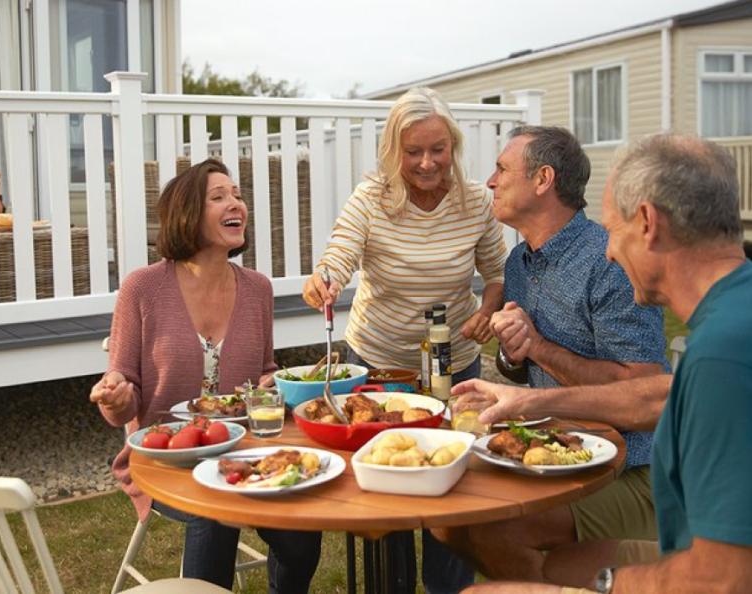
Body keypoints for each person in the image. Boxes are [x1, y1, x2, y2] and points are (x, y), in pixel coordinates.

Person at [456, 134, 752, 593]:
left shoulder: (723, 352)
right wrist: (524, 390)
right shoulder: (733, 318)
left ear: (648, 223)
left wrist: (604, 587)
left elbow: (722, 581)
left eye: (614, 230)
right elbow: (658, 395)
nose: (609, 249)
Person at [440, 127, 669, 585]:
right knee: (448, 519)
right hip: (559, 452)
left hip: (634, 470)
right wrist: (514, 353)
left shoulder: (608, 262)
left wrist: (540, 347)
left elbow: (643, 389)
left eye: (502, 169)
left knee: (493, 528)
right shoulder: (517, 263)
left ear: (542, 179)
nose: (490, 181)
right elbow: (523, 368)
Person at [302, 87, 508, 593]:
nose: (426, 162)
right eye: (413, 151)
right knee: (386, 486)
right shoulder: (371, 197)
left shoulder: (477, 201)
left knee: (452, 484)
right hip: (380, 363)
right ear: (395, 151)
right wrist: (324, 278)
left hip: (454, 362)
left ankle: (449, 588)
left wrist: (487, 310)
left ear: (452, 145)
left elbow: (499, 274)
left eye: (437, 149)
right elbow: (340, 255)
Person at [90, 159, 321, 593]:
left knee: (301, 531)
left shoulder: (257, 288)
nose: (235, 203)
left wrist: (274, 386)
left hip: (244, 450)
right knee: (215, 511)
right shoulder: (142, 288)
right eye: (218, 197)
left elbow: (265, 371)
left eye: (236, 195)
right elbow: (122, 386)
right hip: (169, 459)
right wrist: (116, 397)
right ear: (186, 215)